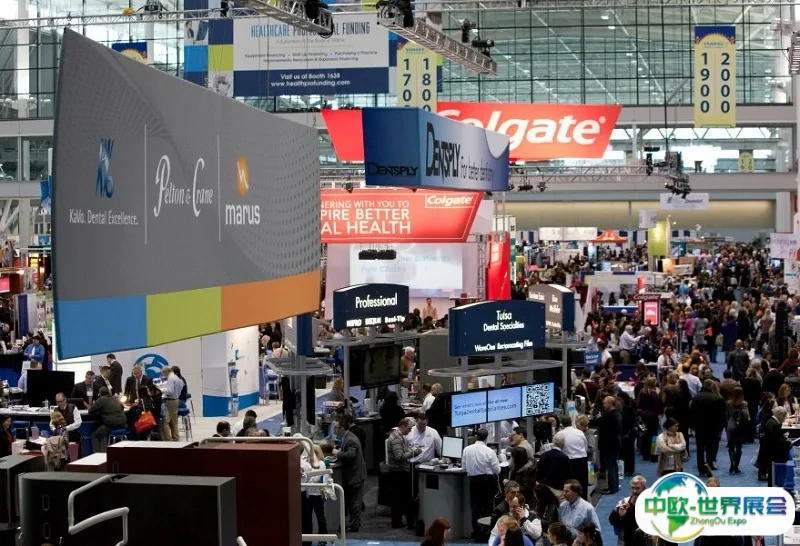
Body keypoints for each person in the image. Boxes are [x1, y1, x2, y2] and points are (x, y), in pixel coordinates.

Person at [462, 428, 500, 540]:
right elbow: (497, 470)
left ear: (476, 436)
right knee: (488, 507)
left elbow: (464, 468)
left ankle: (476, 532)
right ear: (486, 438)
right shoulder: (490, 451)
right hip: (487, 481)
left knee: (475, 507)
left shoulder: (467, 449)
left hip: (474, 481)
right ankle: (486, 532)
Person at [332, 413, 366, 533]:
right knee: (352, 500)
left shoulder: (350, 439)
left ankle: (354, 525)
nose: (335, 430)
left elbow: (351, 455)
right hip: (354, 474)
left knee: (354, 502)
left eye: (336, 428)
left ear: (342, 428)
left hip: (355, 475)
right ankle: (354, 522)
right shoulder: (348, 437)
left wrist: (338, 453)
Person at [386, 417, 420, 529]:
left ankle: (398, 522)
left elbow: (402, 452)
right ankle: (398, 523)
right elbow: (399, 457)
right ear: (403, 426)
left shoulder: (400, 437)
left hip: (399, 471)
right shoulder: (396, 439)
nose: (410, 431)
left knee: (399, 498)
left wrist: (410, 451)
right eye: (409, 429)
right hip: (398, 473)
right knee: (399, 499)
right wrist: (414, 453)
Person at [690, 379, 726, 477]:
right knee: (712, 447)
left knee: (700, 449)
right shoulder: (717, 398)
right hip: (713, 427)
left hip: (700, 427)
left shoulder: (696, 397)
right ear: (711, 386)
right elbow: (721, 414)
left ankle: (701, 469)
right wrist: (721, 427)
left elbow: (692, 412)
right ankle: (709, 463)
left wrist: (693, 425)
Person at [589, 396, 622, 494]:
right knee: (614, 466)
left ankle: (612, 488)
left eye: (605, 403)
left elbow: (596, 422)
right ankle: (615, 485)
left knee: (610, 466)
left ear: (610, 404)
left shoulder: (608, 415)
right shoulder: (617, 413)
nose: (603, 405)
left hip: (608, 445)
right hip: (615, 443)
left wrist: (586, 421)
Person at [609, 476, 647, 546]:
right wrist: (619, 516)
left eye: (637, 488)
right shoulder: (623, 502)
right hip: (625, 541)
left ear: (644, 489)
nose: (634, 491)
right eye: (633, 488)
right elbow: (612, 521)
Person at [536, 431, 573, 503]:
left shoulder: (544, 455)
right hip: (559, 490)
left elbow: (539, 472)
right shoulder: (564, 457)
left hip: (544, 489)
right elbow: (569, 475)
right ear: (563, 444)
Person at [87, 387, 127, 453]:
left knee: (95, 435)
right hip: (123, 423)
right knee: (103, 432)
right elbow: (122, 407)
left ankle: (98, 455)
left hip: (111, 424)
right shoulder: (115, 398)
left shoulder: (101, 399)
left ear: (100, 394)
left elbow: (90, 411)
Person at [760, 406, 792, 485]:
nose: (784, 419)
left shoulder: (772, 421)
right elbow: (777, 440)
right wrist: (788, 443)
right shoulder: (774, 424)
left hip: (768, 451)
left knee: (771, 474)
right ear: (780, 415)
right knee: (772, 475)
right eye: (784, 417)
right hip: (772, 453)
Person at [726, 386, 750, 474]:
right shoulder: (745, 403)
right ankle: (736, 465)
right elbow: (746, 416)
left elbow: (727, 415)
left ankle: (732, 463)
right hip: (740, 427)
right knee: (739, 447)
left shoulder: (728, 403)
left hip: (731, 425)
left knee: (731, 447)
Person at [160, 366, 183, 441]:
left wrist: (161, 389)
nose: (162, 376)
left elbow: (169, 391)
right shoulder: (177, 377)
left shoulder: (170, 378)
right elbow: (181, 387)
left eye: (162, 373)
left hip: (169, 401)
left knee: (165, 421)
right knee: (174, 421)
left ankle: (168, 439)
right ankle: (176, 438)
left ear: (165, 372)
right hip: (176, 400)